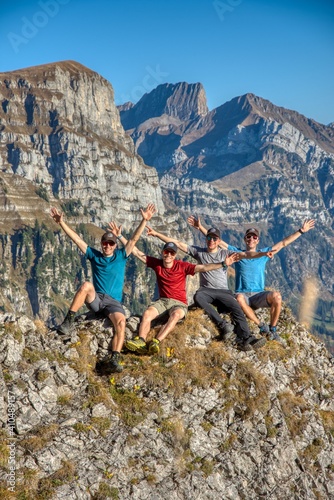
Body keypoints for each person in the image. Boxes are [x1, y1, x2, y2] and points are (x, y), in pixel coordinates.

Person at [124, 226, 272, 352]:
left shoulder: (226, 253)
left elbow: (248, 254)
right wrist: (156, 234)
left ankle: (247, 338)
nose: (212, 241)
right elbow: (178, 244)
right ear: (206, 239)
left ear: (219, 241)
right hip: (206, 290)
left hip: (223, 291)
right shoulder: (198, 252)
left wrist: (263, 254)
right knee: (198, 297)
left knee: (236, 307)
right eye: (209, 238)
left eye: (215, 239)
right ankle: (223, 325)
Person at [50, 203, 156, 372]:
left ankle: (115, 357)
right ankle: (68, 321)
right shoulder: (95, 256)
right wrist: (61, 223)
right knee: (86, 285)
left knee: (121, 322)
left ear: (115, 245)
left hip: (113, 303)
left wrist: (144, 221)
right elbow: (77, 239)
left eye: (111, 243)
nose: (107, 246)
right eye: (105, 243)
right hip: (97, 299)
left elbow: (134, 239)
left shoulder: (122, 256)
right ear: (101, 244)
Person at [188, 216, 315, 341]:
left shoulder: (264, 253)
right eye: (249, 236)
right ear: (245, 239)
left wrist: (301, 231)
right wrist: (200, 228)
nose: (251, 239)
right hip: (242, 295)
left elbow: (283, 243)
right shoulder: (237, 254)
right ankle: (261, 326)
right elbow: (217, 241)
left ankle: (273, 329)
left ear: (258, 240)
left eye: (255, 237)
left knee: (277, 296)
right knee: (239, 298)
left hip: (258, 295)